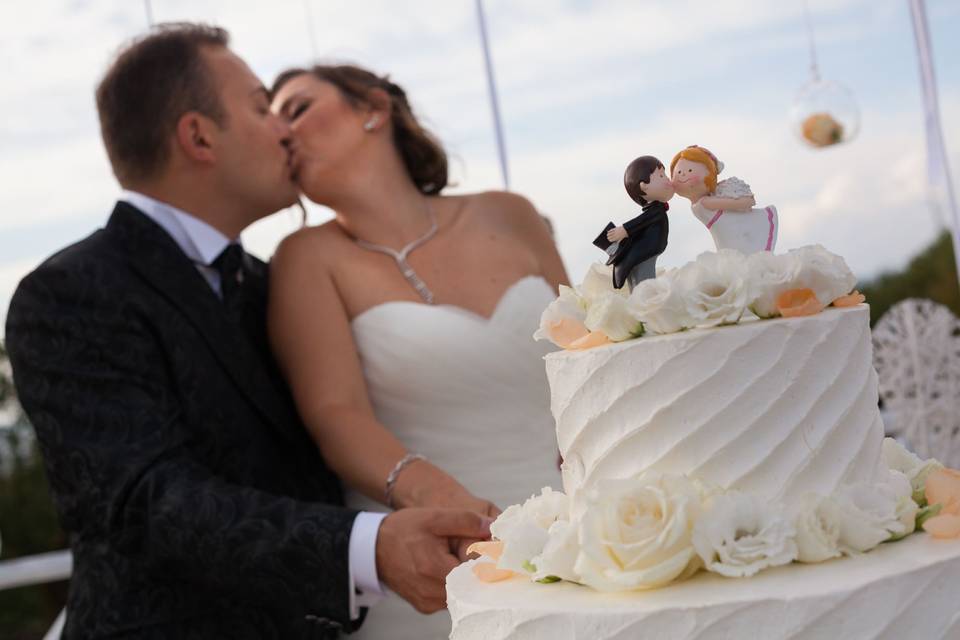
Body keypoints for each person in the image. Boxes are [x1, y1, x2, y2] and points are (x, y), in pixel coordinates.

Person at [4, 24, 490, 639]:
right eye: (262, 107)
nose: (286, 129)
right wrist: (364, 549)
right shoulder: (67, 294)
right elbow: (148, 501)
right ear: (199, 137)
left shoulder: (274, 283)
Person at [268, 64, 567, 638]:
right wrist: (463, 515)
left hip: (581, 538)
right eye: (273, 122)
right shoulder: (306, 258)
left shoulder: (510, 213)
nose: (283, 133)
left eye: (298, 108)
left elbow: (586, 353)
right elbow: (335, 416)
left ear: (372, 108)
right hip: (439, 570)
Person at [670, 144, 778, 254]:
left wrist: (746, 200)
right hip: (728, 236)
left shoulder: (705, 202)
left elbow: (745, 203)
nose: (682, 174)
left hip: (737, 233)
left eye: (689, 171)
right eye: (678, 172)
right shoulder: (701, 203)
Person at [592, 155, 674, 290]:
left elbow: (641, 222)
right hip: (646, 250)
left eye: (664, 175)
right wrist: (623, 230)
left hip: (648, 250)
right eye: (661, 176)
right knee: (644, 281)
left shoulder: (656, 209)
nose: (667, 179)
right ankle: (642, 299)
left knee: (639, 277)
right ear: (644, 186)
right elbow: (641, 221)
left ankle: (639, 298)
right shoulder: (656, 210)